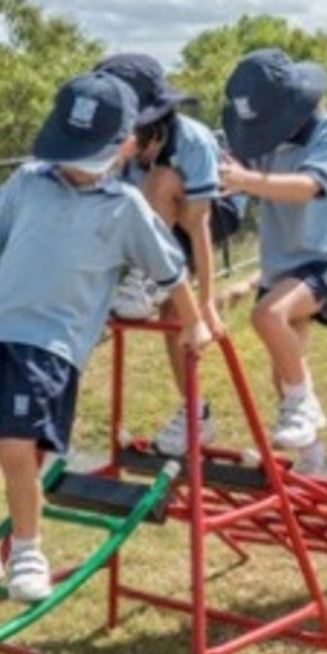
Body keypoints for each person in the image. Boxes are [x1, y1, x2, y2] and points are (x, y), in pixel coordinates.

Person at [0, 71, 210, 603]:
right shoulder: (28, 181)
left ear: (125, 146)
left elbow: (170, 272)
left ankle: (28, 550)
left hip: (49, 345)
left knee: (15, 448)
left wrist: (193, 321)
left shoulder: (126, 208)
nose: (72, 163)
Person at [218, 48, 327, 479]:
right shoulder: (262, 142)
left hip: (325, 258)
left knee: (269, 315)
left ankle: (305, 404)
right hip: (281, 266)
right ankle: (316, 462)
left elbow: (308, 187)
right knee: (284, 372)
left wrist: (248, 181)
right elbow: (229, 169)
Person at [95, 53, 239, 458]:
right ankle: (197, 413)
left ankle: (144, 277)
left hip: (209, 209)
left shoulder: (189, 142)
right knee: (175, 316)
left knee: (162, 179)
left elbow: (199, 227)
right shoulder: (121, 150)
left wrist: (207, 304)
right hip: (156, 221)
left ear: (149, 126)